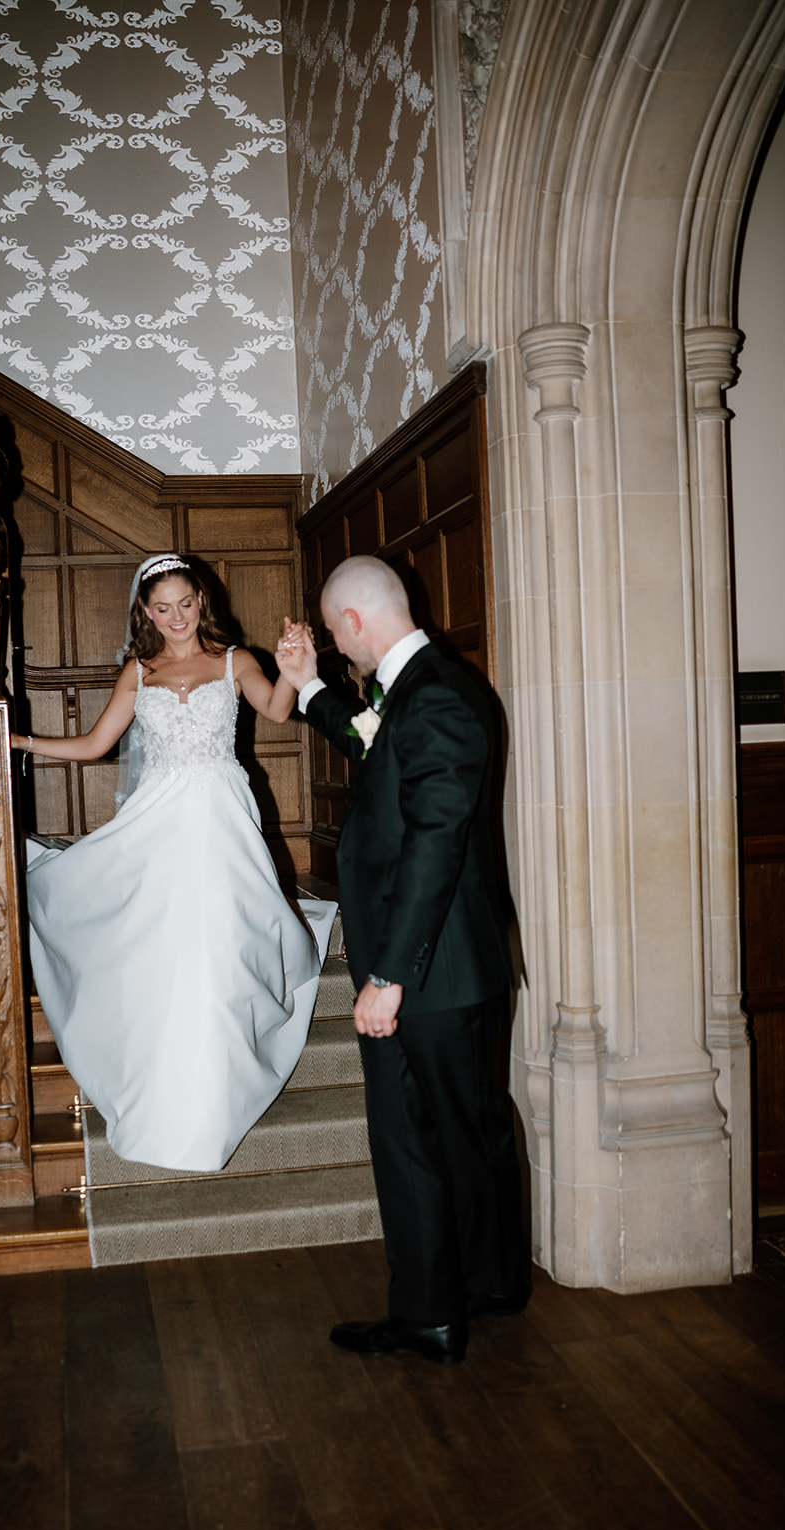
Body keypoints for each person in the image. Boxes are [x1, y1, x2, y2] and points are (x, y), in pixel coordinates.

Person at [275, 554, 527, 1365]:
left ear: (350, 624)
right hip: (456, 968)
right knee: (466, 1132)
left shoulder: (435, 700)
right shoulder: (432, 689)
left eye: (335, 636)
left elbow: (433, 843)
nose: (341, 650)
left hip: (426, 972)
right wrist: (311, 687)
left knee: (411, 1139)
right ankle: (490, 1283)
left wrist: (387, 977)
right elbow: (374, 746)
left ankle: (428, 1314)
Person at [11, 554, 335, 1174]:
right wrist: (23, 741)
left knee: (217, 949)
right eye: (163, 607)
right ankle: (166, 1092)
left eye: (186, 603)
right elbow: (95, 744)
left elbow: (275, 710)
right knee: (165, 951)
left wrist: (296, 671)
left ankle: (215, 1095)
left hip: (220, 820)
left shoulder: (235, 660)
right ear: (146, 611)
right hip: (156, 821)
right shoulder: (139, 670)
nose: (177, 617)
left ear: (202, 601)